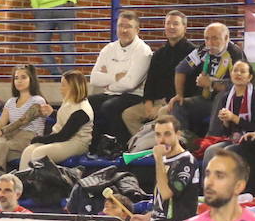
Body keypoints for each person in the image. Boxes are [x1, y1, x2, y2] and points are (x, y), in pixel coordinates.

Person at [121, 10, 195, 136]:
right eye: (168, 23)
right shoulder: (159, 54)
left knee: (160, 117)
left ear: (184, 28)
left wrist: (164, 104)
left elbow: (190, 86)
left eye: (175, 24)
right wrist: (148, 103)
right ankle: (143, 144)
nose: (171, 27)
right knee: (128, 115)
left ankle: (154, 143)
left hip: (175, 103)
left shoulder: (193, 53)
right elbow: (151, 81)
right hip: (156, 102)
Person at [87, 10, 152, 148]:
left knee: (109, 107)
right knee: (87, 104)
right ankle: (94, 147)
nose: (123, 30)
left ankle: (122, 146)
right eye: (120, 25)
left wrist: (108, 82)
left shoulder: (143, 51)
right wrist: (116, 76)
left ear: (137, 29)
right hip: (112, 94)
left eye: (128, 26)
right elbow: (94, 78)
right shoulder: (109, 49)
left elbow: (130, 83)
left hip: (134, 95)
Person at [18, 71, 94, 169]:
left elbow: (64, 135)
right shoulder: (69, 101)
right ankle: (21, 182)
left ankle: (37, 182)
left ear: (73, 87)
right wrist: (52, 113)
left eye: (63, 85)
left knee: (39, 153)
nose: (60, 88)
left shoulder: (82, 110)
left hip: (77, 143)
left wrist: (39, 139)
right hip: (64, 139)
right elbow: (68, 120)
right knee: (28, 151)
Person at [0, 65, 47, 170]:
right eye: (16, 78)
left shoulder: (38, 100)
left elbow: (22, 121)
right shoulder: (11, 101)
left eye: (23, 77)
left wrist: (1, 132)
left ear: (32, 79)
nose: (19, 81)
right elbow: (1, 122)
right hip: (11, 136)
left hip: (29, 137)